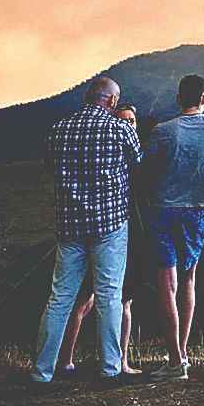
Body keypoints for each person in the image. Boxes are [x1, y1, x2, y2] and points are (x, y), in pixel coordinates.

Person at [30, 76, 142, 385]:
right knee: (109, 295)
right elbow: (138, 165)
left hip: (69, 226)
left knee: (60, 298)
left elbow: (50, 168)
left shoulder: (58, 131)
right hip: (110, 224)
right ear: (111, 102)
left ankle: (42, 372)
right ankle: (110, 369)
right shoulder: (120, 129)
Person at [144, 74, 204, 380]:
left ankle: (175, 360)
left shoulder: (163, 131)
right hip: (198, 211)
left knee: (166, 284)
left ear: (179, 99)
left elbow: (149, 170)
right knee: (188, 280)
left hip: (164, 210)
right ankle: (182, 354)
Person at [56, 103, 148, 377]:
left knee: (123, 301)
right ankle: (67, 360)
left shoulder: (136, 156)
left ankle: (120, 361)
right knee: (84, 299)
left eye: (132, 120)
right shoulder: (110, 158)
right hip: (103, 231)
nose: (128, 125)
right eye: (122, 120)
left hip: (128, 234)